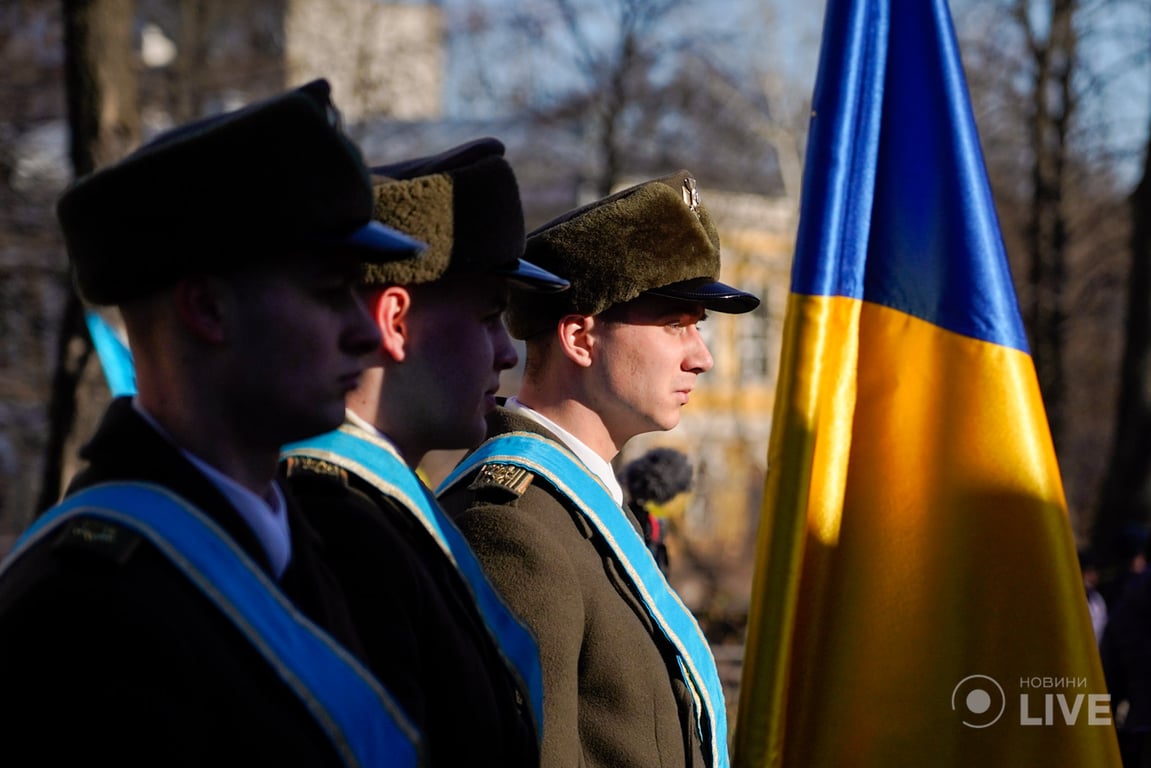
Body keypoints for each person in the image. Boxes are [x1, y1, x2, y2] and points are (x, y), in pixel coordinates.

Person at [0, 81, 426, 766]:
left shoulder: (294, 534)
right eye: (328, 293)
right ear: (207, 309)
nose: (364, 334)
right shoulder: (79, 611)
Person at [436, 171, 761, 768]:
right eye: (675, 324)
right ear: (581, 338)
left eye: (699, 328)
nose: (703, 357)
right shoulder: (514, 527)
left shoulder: (592, 507)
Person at [279, 138, 568, 767]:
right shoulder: (335, 527)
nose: (508, 351)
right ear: (396, 321)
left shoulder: (386, 512)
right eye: (489, 315)